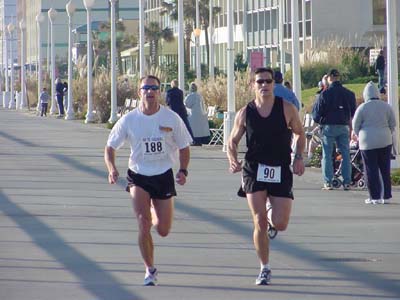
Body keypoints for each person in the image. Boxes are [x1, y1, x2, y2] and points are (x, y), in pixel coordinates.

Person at [104, 75, 192, 286]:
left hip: (163, 175)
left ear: (159, 92)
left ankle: (155, 210)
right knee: (143, 224)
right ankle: (149, 270)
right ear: (139, 92)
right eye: (146, 88)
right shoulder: (129, 119)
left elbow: (184, 147)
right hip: (138, 175)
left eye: (154, 88)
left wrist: (183, 171)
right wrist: (112, 169)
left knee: (162, 229)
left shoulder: (171, 118)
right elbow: (110, 147)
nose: (150, 92)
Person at [227, 67, 305, 285]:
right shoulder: (245, 112)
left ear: (273, 84)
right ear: (253, 85)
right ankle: (264, 267)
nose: (264, 85)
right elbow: (231, 141)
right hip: (253, 169)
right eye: (259, 82)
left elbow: (300, 133)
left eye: (267, 81)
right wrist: (232, 159)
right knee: (258, 221)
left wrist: (299, 156)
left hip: (279, 167)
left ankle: (272, 214)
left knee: (280, 224)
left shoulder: (287, 108)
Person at [312, 69, 357, 190]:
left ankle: (328, 181)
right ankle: (347, 181)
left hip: (328, 126)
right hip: (343, 126)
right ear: (339, 77)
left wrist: (321, 120)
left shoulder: (325, 94)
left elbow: (316, 114)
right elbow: (354, 112)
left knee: (327, 154)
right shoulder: (349, 94)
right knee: (345, 153)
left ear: (329, 78)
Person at [352, 81, 396, 204]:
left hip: (367, 141)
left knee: (370, 169)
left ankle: (374, 197)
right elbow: (393, 123)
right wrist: (387, 131)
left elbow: (355, 125)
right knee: (384, 168)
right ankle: (386, 195)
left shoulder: (362, 107)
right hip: (385, 140)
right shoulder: (386, 106)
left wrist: (358, 134)